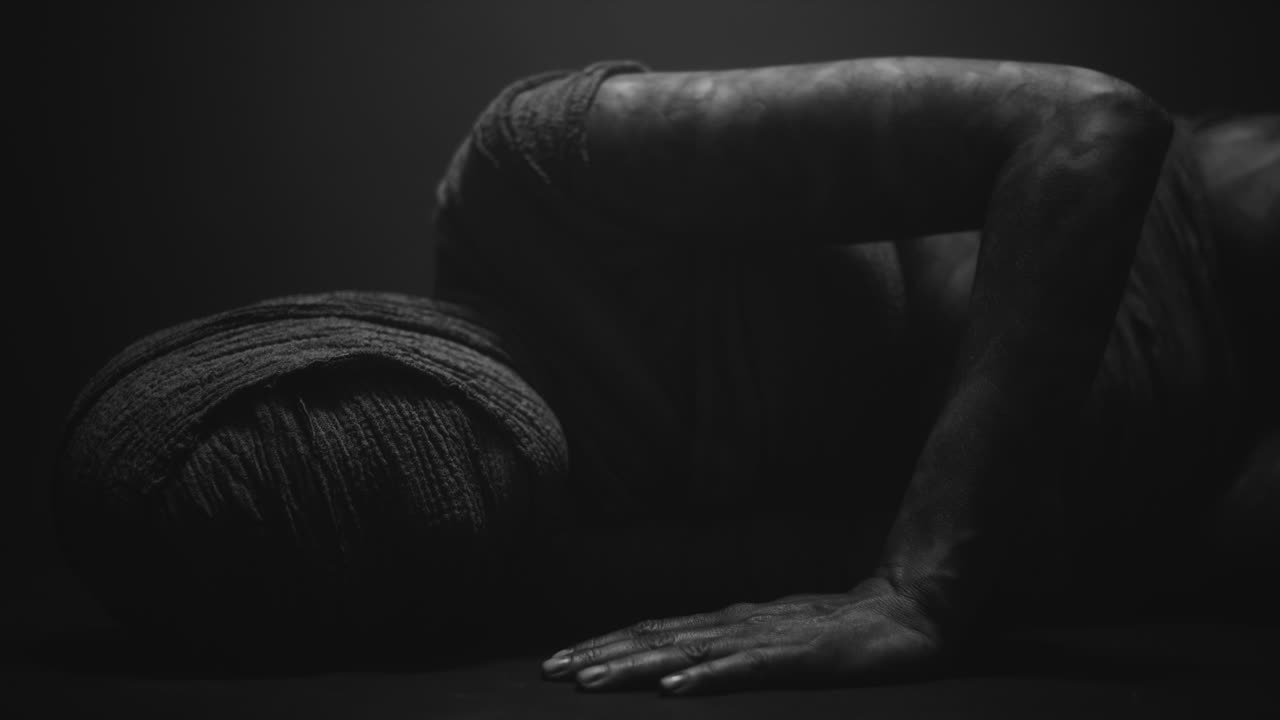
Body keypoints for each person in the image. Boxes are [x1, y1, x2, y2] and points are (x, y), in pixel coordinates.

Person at [426, 57, 1278, 694]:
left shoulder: (527, 175)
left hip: (1222, 242)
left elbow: (1094, 125)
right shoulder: (550, 551)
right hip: (1194, 486)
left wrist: (916, 591)